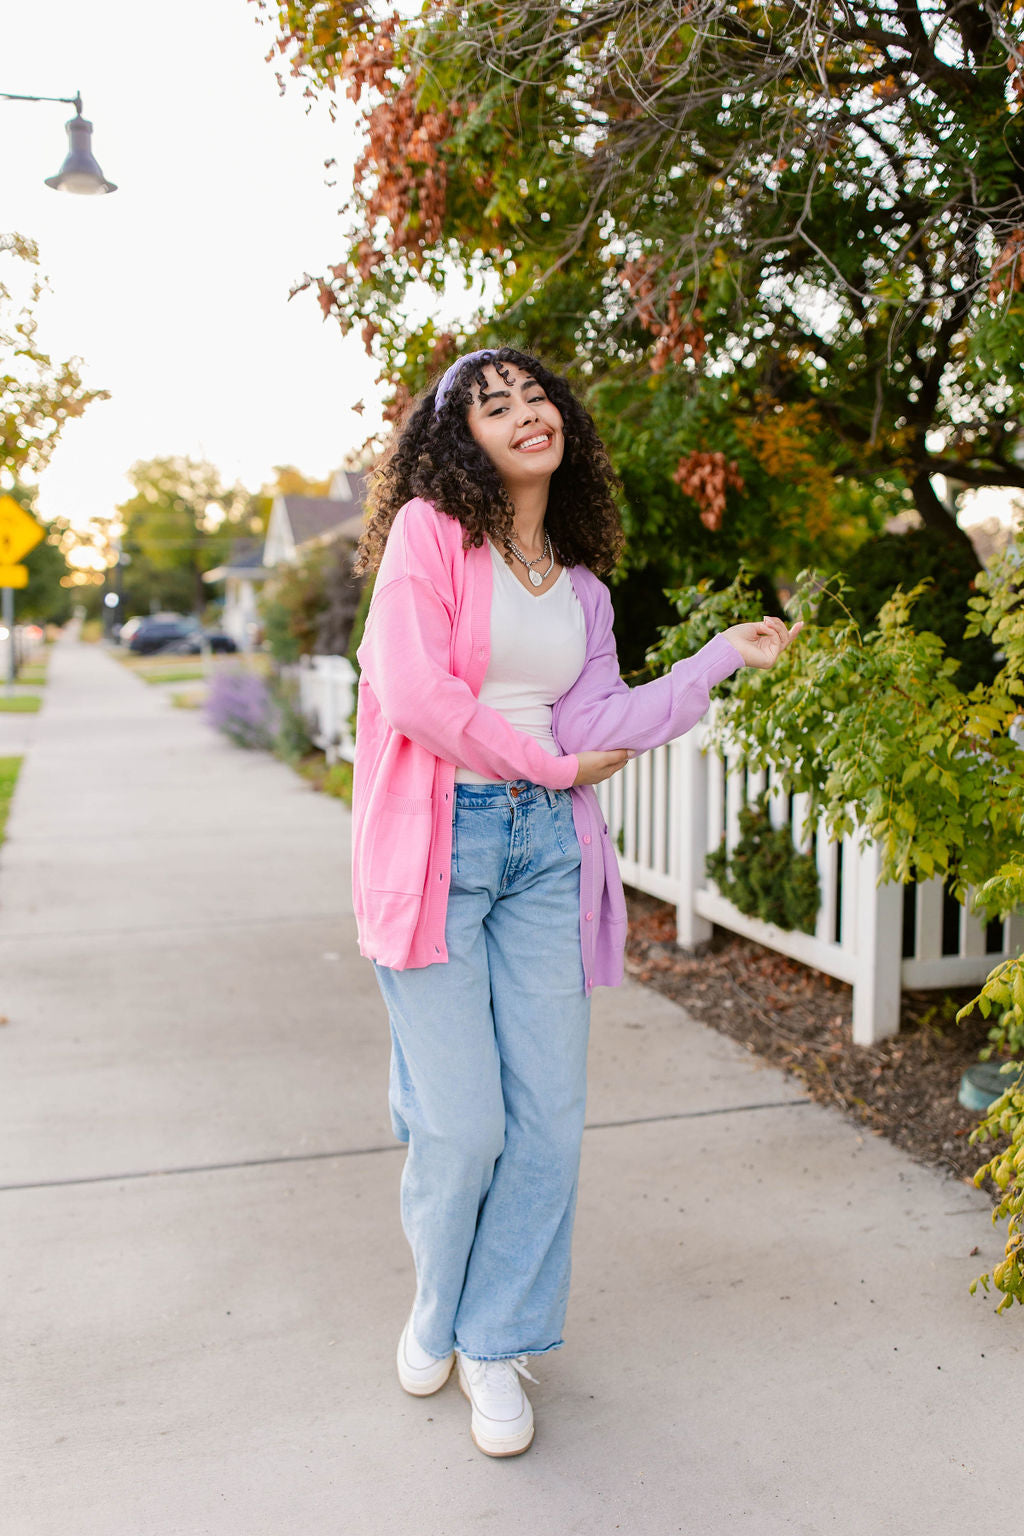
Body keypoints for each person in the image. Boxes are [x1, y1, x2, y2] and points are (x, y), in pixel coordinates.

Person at [351, 346, 800, 1458]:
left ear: (563, 426)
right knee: (460, 1127)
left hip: (548, 855)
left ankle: (496, 1343)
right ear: (461, 442)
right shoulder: (429, 538)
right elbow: (413, 691)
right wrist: (542, 765)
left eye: (534, 396)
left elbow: (596, 722)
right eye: (491, 406)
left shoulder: (583, 590)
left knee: (545, 1120)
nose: (522, 413)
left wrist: (713, 660)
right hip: (439, 844)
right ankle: (437, 1299)